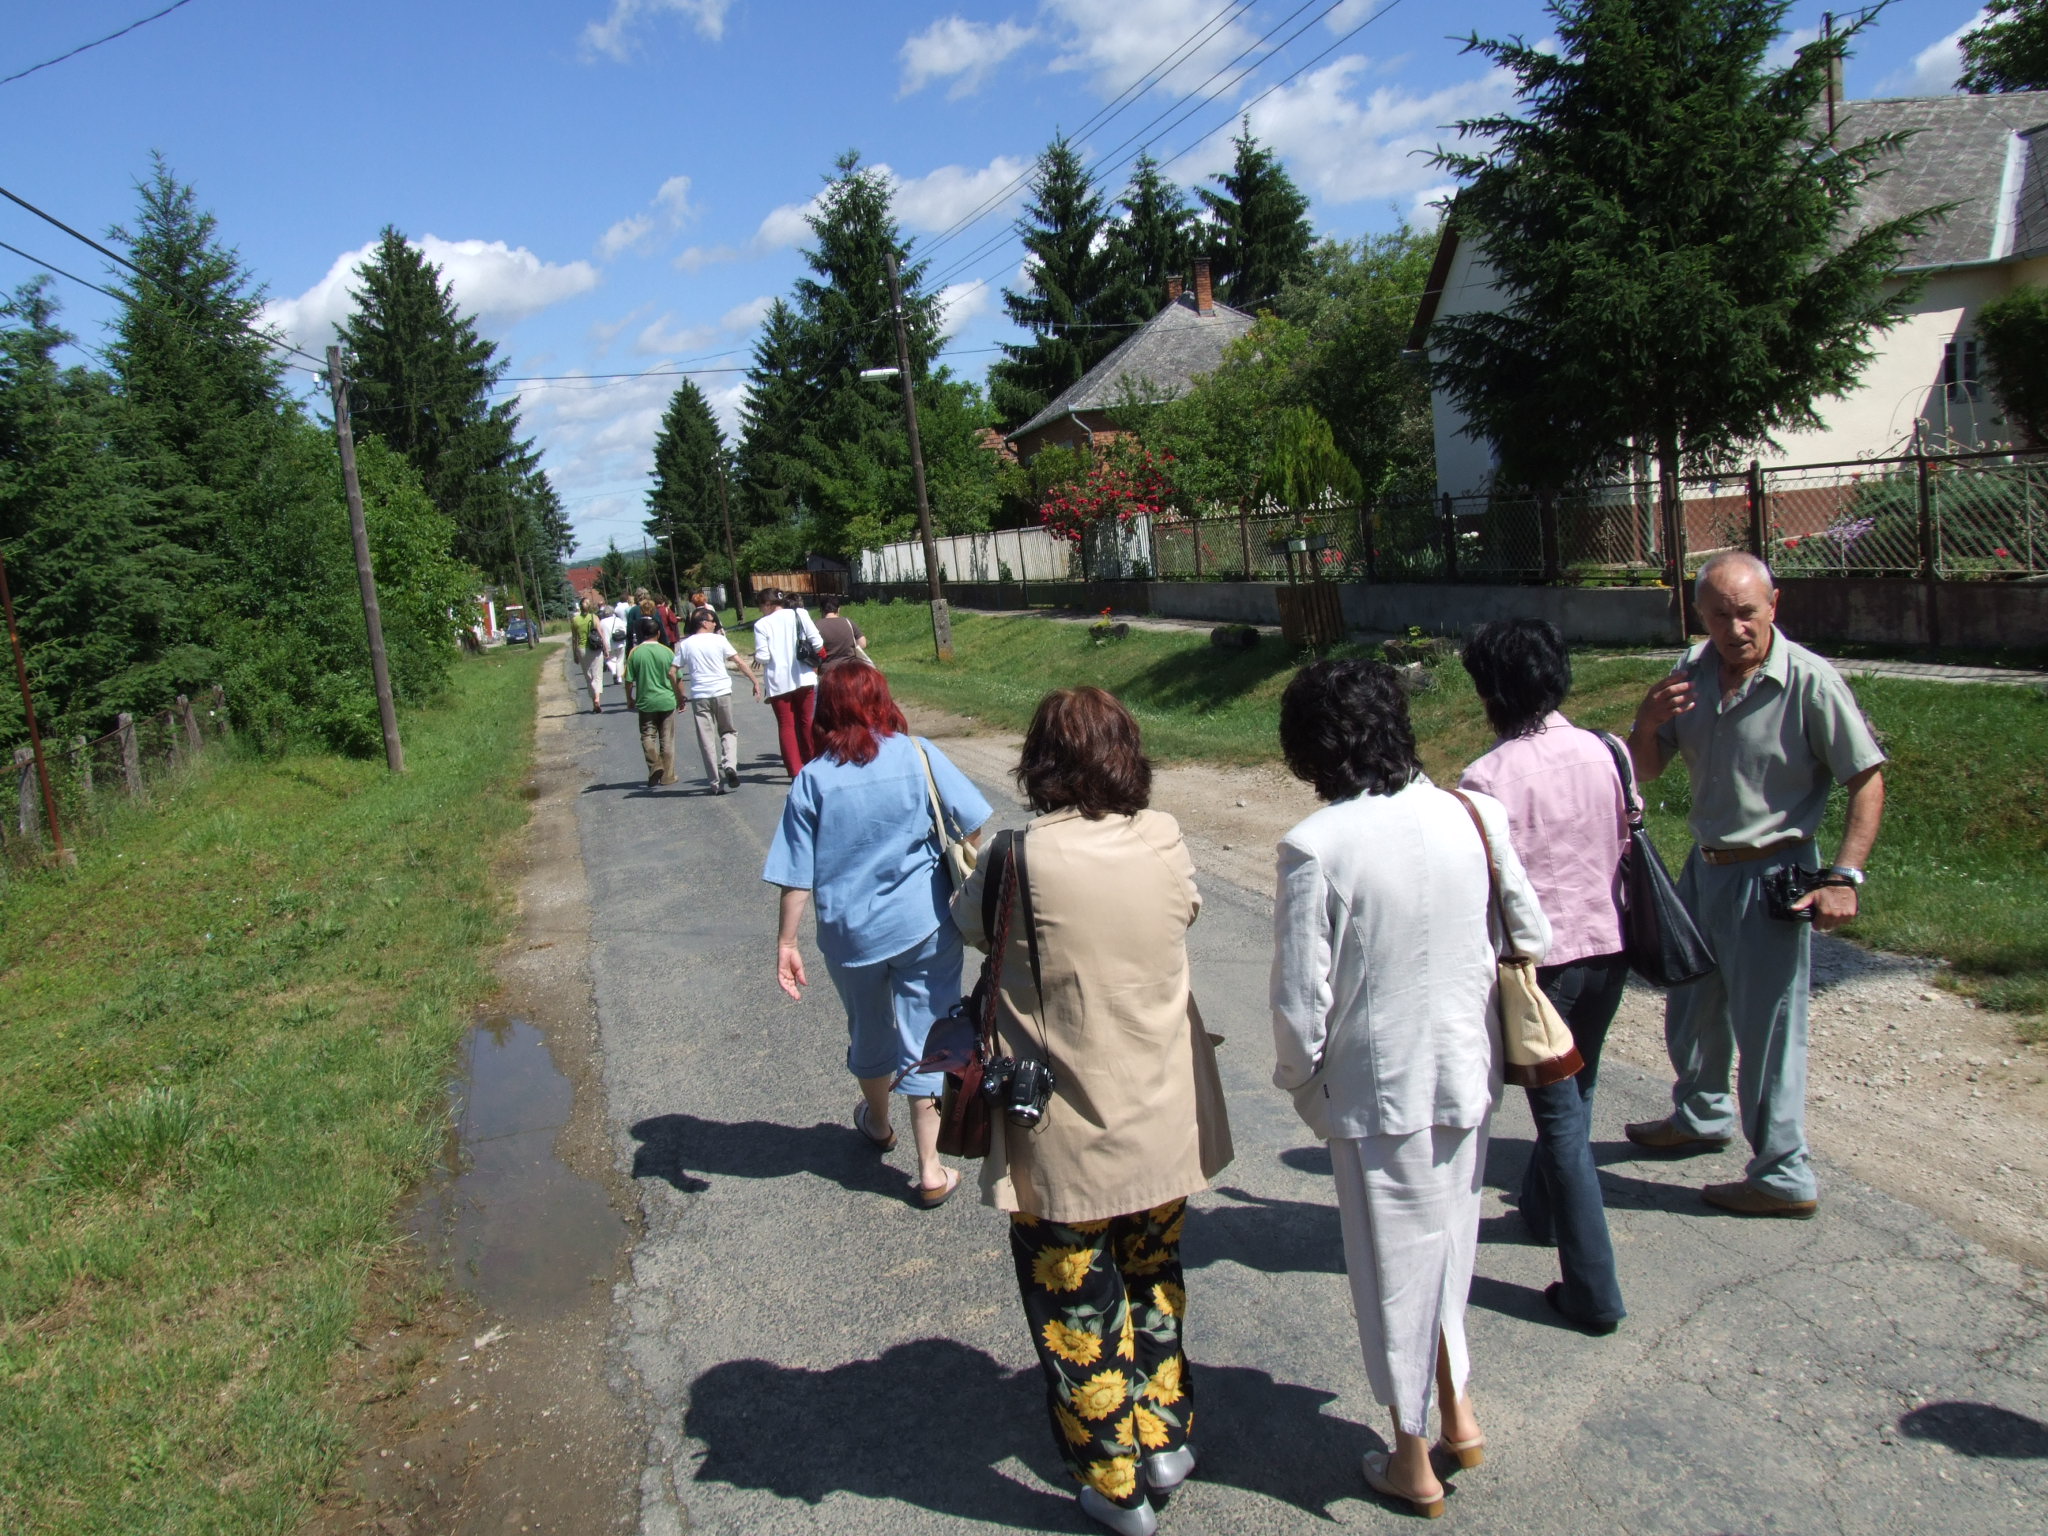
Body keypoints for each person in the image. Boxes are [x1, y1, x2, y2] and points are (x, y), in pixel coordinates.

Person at [1269, 659, 1548, 1519]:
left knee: (1392, 1273)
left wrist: (1302, 1086)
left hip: (1375, 1092)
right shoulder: (1475, 813)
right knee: (1447, 1251)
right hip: (1468, 1073)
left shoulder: (1317, 844)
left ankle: (1412, 1456)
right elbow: (1531, 930)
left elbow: (1299, 1003)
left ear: (1313, 746)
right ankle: (1456, 1411)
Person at [954, 687, 1232, 1536]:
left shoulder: (1017, 856)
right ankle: (1165, 1434)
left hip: (1063, 1129)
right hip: (1162, 1113)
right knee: (1154, 1274)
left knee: (1075, 1305)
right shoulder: (1163, 835)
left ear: (1040, 762)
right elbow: (1186, 910)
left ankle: (1116, 1485)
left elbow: (970, 928)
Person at [1623, 552, 1886, 1218]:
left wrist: (1844, 877)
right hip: (1704, 867)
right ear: (1700, 616)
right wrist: (1646, 723)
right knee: (1690, 1005)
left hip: (1775, 873)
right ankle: (1701, 1115)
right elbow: (1647, 770)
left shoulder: (1809, 683)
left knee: (1768, 1032)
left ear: (1774, 605)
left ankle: (1782, 1174)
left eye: (1746, 613)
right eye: (1719, 615)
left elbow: (1866, 779)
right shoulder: (1691, 671)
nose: (1735, 628)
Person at [763, 662, 991, 1206]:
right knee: (927, 1035)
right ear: (881, 702)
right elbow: (973, 821)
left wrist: (787, 943)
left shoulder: (812, 779)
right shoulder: (917, 753)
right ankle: (930, 1169)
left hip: (850, 937)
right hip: (924, 924)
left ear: (826, 712)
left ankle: (879, 1124)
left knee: (868, 1030)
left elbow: (796, 875)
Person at [1458, 618, 1629, 1335]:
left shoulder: (1486, 780)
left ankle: (1594, 1291)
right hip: (1610, 950)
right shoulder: (1607, 750)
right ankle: (1541, 1210)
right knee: (1577, 1092)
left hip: (1540, 973)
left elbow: (1482, 889)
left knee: (1560, 1122)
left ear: (1490, 690)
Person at [672, 607, 760, 794]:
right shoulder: (719, 640)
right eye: (713, 621)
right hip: (722, 692)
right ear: (704, 623)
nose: (715, 625)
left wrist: (679, 695)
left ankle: (715, 783)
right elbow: (739, 662)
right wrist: (754, 681)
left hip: (700, 695)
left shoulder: (686, 644)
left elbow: (672, 671)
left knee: (706, 739)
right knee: (728, 730)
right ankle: (730, 765)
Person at [753, 588, 825, 778]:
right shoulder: (799, 614)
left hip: (778, 682)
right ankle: (812, 763)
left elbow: (763, 656)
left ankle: (795, 770)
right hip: (804, 676)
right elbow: (817, 643)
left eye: (761, 606)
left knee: (786, 725)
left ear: (768, 604)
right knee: (807, 721)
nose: (761, 610)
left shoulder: (762, 624)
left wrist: (759, 656)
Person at [624, 616, 679, 788]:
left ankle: (655, 764)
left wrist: (629, 698)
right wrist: (680, 697)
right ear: (658, 633)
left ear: (641, 634)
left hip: (646, 701)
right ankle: (668, 776)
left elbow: (629, 680)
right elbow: (677, 677)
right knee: (667, 739)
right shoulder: (667, 652)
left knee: (648, 736)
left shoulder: (635, 653)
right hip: (667, 700)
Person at [569, 597, 608, 713]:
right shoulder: (594, 617)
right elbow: (601, 634)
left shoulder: (575, 620)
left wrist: (575, 654)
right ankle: (597, 699)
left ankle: (593, 702)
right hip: (595, 648)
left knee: (588, 676)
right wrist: (606, 648)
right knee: (597, 675)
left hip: (582, 649)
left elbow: (574, 639)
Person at [814, 595, 868, 670]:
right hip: (849, 669)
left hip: (828, 672)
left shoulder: (816, 626)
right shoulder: (848, 622)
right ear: (838, 609)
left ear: (822, 610)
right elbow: (863, 643)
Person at [599, 602, 628, 684]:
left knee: (609, 659)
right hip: (619, 642)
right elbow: (624, 630)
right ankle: (619, 677)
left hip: (608, 644)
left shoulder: (602, 622)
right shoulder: (618, 620)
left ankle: (614, 671)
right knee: (620, 660)